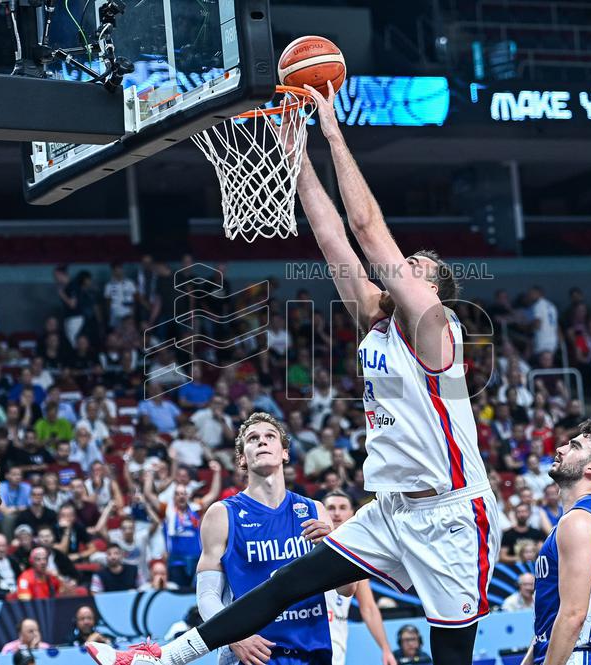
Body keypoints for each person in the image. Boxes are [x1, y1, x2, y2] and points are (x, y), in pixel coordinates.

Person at [86, 85, 503, 665]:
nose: (401, 268)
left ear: (431, 291)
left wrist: (333, 133)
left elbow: (365, 225)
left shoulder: (436, 327)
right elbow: (335, 239)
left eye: (414, 268)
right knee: (287, 584)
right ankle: (164, 656)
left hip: (452, 514)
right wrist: (297, 153)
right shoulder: (374, 323)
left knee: (450, 659)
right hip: (390, 510)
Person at [186, 413, 341, 665]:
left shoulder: (315, 510)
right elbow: (207, 596)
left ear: (285, 453)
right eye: (253, 438)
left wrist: (334, 549)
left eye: (270, 436)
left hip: (312, 653)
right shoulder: (222, 514)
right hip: (255, 655)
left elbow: (347, 589)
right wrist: (234, 636)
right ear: (241, 458)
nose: (262, 442)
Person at [520, 420, 591, 665]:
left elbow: (573, 615)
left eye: (574, 446)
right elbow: (552, 617)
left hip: (577, 657)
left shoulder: (578, 522)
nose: (560, 449)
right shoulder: (576, 520)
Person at [323, 490, 397, 665]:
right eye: (331, 508)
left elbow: (369, 608)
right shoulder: (303, 546)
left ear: (351, 514)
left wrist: (385, 649)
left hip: (336, 644)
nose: (336, 513)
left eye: (342, 508)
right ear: (321, 511)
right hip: (305, 641)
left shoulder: (357, 555)